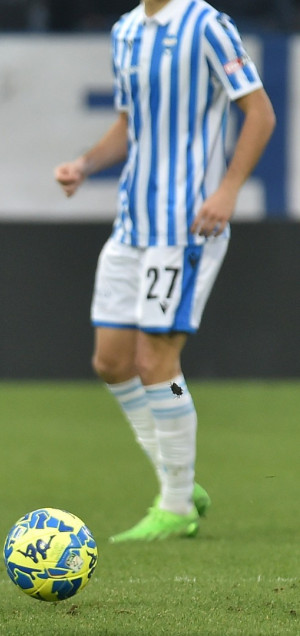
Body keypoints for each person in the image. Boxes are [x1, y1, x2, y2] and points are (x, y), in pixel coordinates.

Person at [54, 0, 275, 542]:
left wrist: (227, 190)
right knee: (111, 362)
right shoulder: (126, 30)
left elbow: (260, 112)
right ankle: (178, 477)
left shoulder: (206, 24)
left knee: (158, 360)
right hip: (133, 224)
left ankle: (176, 503)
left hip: (186, 227)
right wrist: (85, 163)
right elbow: (131, 125)